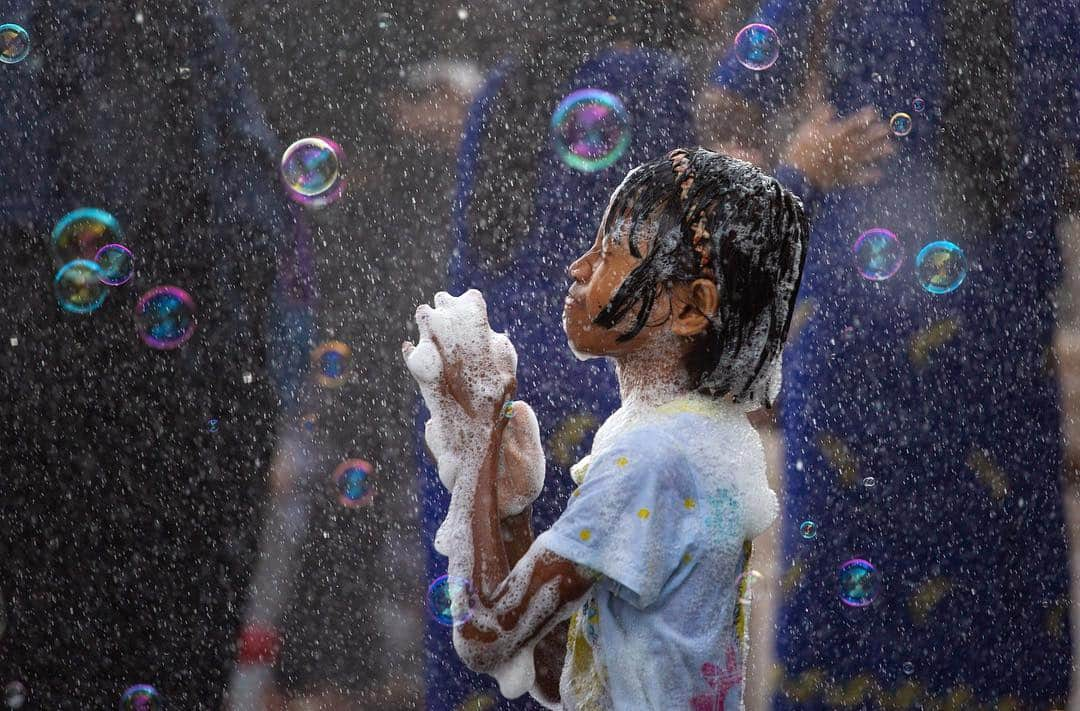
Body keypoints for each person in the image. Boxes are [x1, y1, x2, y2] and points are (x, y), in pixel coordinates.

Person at [703, 0, 1079, 707]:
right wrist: (800, 160)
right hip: (863, 347)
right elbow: (727, 110)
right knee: (853, 605)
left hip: (999, 355)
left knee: (1000, 605)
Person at [405, 147, 809, 709]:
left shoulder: (650, 459)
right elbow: (562, 677)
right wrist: (514, 514)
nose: (579, 266)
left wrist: (477, 435)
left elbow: (484, 633)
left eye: (610, 253)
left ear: (692, 308)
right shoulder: (703, 437)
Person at [0, 1, 300, 706]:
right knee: (70, 651)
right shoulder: (48, 37)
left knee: (167, 650)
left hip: (186, 406)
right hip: (73, 403)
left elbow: (253, 221)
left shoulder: (191, 31)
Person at [417, 4, 703, 708]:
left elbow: (469, 249)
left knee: (486, 619)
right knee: (585, 659)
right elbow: (680, 248)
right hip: (595, 380)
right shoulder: (654, 81)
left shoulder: (505, 84)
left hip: (488, 377)